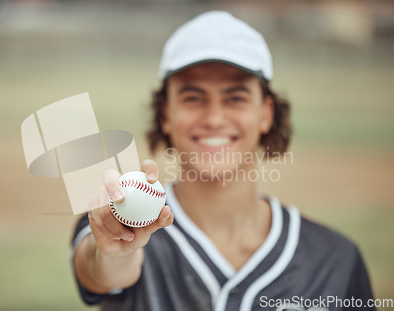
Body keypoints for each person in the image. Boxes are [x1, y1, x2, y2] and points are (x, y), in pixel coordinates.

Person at [71, 11, 375, 311]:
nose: (214, 118)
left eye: (235, 98)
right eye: (194, 97)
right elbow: (98, 270)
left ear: (266, 113)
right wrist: (116, 253)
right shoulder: (117, 222)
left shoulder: (336, 259)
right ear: (165, 113)